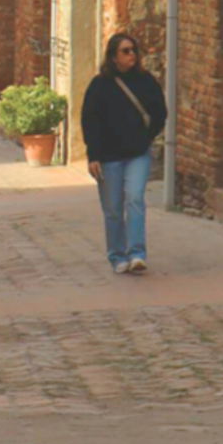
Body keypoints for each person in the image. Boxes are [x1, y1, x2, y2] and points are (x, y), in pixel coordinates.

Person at [80, 31, 167, 275]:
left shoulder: (146, 82)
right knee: (114, 208)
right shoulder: (100, 86)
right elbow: (90, 121)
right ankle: (117, 255)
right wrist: (93, 155)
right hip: (108, 157)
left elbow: (160, 113)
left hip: (137, 154)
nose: (131, 55)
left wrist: (145, 137)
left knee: (136, 199)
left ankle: (137, 253)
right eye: (125, 51)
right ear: (113, 57)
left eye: (134, 50)